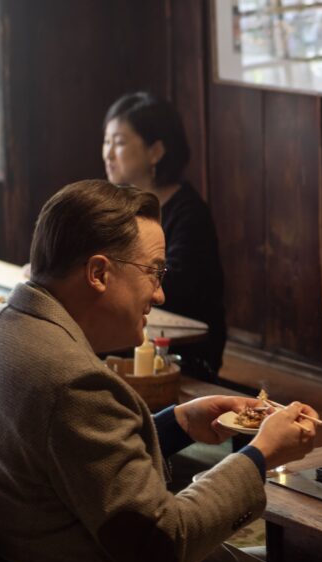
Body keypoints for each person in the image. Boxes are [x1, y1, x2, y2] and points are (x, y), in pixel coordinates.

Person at [0, 180, 322, 562]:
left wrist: (177, 423)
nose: (160, 293)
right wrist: (260, 455)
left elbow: (72, 466)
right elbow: (162, 546)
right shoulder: (72, 383)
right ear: (98, 273)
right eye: (154, 272)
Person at [103, 92, 226, 380]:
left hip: (182, 345)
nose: (108, 153)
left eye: (119, 143)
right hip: (133, 328)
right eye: (106, 141)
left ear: (156, 151)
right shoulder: (119, 203)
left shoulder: (189, 212)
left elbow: (174, 285)